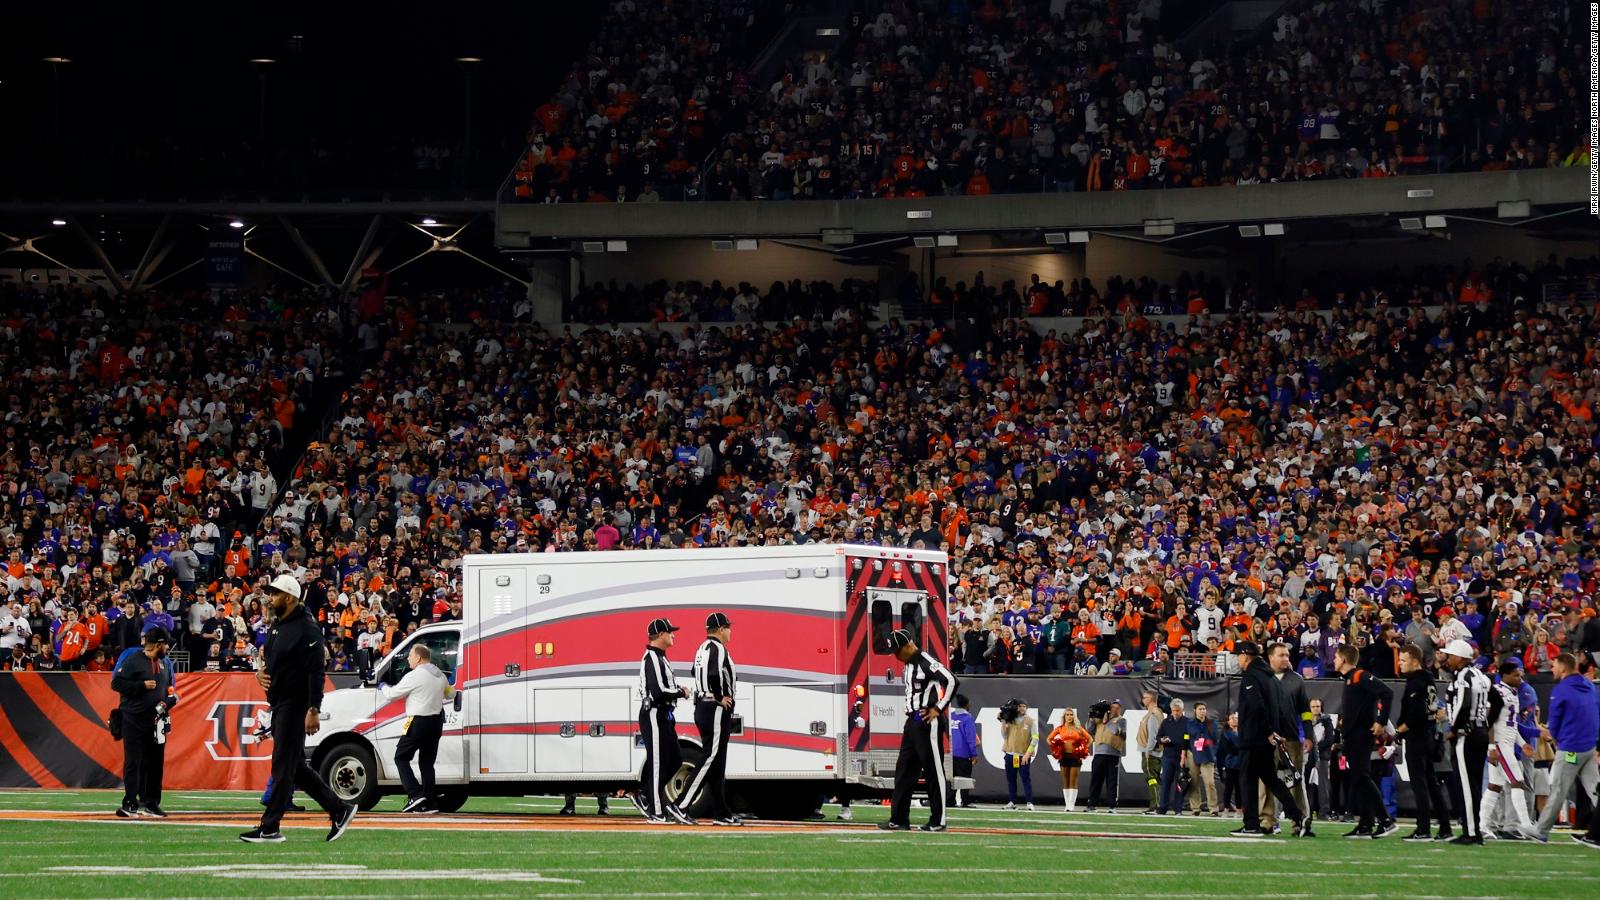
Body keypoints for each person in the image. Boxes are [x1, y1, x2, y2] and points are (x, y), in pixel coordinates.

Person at [241, 574, 356, 844]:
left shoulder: (307, 628)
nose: (270, 598)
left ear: (290, 598)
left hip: (295, 703)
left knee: (282, 765)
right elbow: (269, 658)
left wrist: (313, 708)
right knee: (294, 766)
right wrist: (260, 673)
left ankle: (270, 827)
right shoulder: (280, 624)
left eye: (276, 594)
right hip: (280, 702)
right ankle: (339, 809)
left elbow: (316, 672)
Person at [879, 628, 955, 832]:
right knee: (904, 771)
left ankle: (938, 820)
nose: (895, 655)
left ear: (908, 645)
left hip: (926, 720)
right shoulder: (909, 665)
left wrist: (937, 709)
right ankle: (899, 818)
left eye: (897, 650)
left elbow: (951, 680)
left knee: (933, 770)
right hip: (912, 721)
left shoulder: (925, 661)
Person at [1233, 641, 1310, 837]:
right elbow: (1275, 708)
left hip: (1254, 737)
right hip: (1268, 738)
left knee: (1248, 780)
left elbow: (1257, 706)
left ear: (1245, 655)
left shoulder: (1252, 675)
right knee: (1271, 779)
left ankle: (1251, 824)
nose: (1238, 660)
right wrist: (1273, 731)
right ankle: (1296, 814)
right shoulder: (1270, 677)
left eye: (1238, 656)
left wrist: (1268, 730)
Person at [1530, 653, 1600, 847]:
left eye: (1554, 665)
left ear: (1562, 667)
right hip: (1590, 747)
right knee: (1595, 790)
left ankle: (1541, 830)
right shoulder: (1589, 686)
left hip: (1570, 750)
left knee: (1559, 789)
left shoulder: (1561, 690)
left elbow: (1556, 723)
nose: (1552, 669)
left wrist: (1557, 739)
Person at [680, 612, 739, 826]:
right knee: (710, 758)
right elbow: (714, 674)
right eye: (729, 628)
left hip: (704, 707)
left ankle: (721, 812)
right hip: (713, 708)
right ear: (721, 629)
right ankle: (681, 804)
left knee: (716, 763)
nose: (731, 632)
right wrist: (719, 697)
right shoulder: (718, 648)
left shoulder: (702, 648)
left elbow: (695, 671)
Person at [110, 626, 176, 818]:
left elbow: (167, 689)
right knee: (134, 762)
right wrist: (140, 686)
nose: (168, 649)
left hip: (157, 720)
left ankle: (151, 803)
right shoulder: (133, 660)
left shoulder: (164, 663)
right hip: (134, 718)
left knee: (156, 763)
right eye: (166, 645)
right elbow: (116, 683)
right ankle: (130, 802)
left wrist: (169, 701)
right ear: (158, 644)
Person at [1333, 644, 1398, 839]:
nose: (1334, 660)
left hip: (1361, 735)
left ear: (1344, 660)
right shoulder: (1349, 680)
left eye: (1336, 657)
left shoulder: (1360, 675)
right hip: (1353, 735)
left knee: (1362, 777)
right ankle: (1366, 824)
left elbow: (1387, 693)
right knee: (1359, 779)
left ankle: (1385, 820)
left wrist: (1381, 721)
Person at [635, 617, 693, 825]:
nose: (673, 635)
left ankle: (645, 795)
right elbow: (658, 692)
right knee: (658, 763)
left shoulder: (660, 657)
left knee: (676, 759)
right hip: (654, 714)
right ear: (660, 635)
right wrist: (681, 692)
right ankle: (656, 811)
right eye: (670, 632)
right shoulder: (651, 657)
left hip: (665, 715)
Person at [382, 642, 453, 813]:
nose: (408, 659)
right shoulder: (440, 674)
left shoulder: (415, 675)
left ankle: (415, 794)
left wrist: (383, 686)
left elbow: (392, 695)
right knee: (427, 764)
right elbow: (451, 693)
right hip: (436, 723)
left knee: (401, 758)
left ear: (419, 658)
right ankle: (430, 803)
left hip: (418, 722)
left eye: (411, 655)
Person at [1395, 644, 1452, 841]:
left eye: (1403, 660)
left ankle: (1423, 828)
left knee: (1420, 784)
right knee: (1431, 783)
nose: (1400, 664)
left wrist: (1398, 730)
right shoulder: (1428, 680)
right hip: (1427, 736)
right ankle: (1445, 827)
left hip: (1417, 737)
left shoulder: (1417, 682)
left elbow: (1415, 715)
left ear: (1415, 661)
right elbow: (1432, 710)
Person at [1441, 638, 1492, 844]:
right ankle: (1474, 829)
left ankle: (1471, 832)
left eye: (1451, 655)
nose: (1448, 659)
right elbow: (1492, 702)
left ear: (1460, 658)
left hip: (1467, 734)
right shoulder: (1481, 676)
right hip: (1480, 731)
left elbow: (1464, 703)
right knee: (1474, 784)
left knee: (1466, 786)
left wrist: (1455, 729)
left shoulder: (1463, 676)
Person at [1480, 661, 1539, 840]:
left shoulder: (1512, 692)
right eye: (1515, 675)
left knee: (1494, 786)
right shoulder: (1496, 692)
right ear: (1504, 675)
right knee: (1517, 781)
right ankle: (1526, 825)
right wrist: (1491, 747)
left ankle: (1482, 825)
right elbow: (1489, 722)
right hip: (1499, 744)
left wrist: (1522, 745)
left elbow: (1511, 726)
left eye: (1520, 675)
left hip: (1506, 742)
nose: (1519, 679)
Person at [1263, 643, 1313, 833]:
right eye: (1281, 655)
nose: (1286, 658)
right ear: (1271, 657)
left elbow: (1305, 711)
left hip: (1291, 737)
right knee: (1267, 783)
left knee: (1296, 782)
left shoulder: (1297, 680)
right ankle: (1268, 821)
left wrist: (1308, 735)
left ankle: (1300, 821)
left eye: (1287, 655)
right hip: (1268, 740)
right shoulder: (1264, 679)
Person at [1151, 698, 1191, 816]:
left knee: (1180, 783)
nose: (1176, 713)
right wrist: (1162, 740)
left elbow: (1188, 738)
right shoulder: (1166, 721)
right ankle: (1162, 808)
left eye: (1178, 710)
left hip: (1181, 755)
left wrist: (1184, 753)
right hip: (1168, 755)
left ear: (1182, 710)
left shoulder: (1187, 722)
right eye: (1174, 710)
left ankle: (1178, 808)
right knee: (1165, 782)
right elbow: (1158, 736)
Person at [1085, 700, 1126, 812]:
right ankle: (1091, 804)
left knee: (1112, 781)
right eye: (1113, 707)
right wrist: (1091, 718)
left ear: (1120, 709)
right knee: (1095, 780)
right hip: (1099, 753)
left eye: (1117, 708)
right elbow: (1089, 730)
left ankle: (1112, 806)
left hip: (1113, 754)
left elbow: (1116, 732)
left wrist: (1106, 721)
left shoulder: (1121, 720)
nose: (1115, 710)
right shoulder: (1099, 720)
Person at [1048, 708, 1091, 811]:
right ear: (1064, 717)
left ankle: (1072, 804)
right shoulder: (1060, 728)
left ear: (1074, 716)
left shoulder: (1078, 728)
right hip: (1064, 756)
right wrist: (1056, 748)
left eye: (1071, 714)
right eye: (1067, 714)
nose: (1069, 716)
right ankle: (1067, 804)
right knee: (1065, 781)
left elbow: (1090, 739)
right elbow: (1049, 739)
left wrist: (1083, 748)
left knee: (1073, 780)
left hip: (1075, 757)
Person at [1000, 699, 1038, 811]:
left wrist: (1028, 753)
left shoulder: (1030, 721)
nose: (1022, 708)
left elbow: (1035, 738)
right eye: (1019, 706)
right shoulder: (1010, 719)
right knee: (1011, 779)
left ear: (1027, 707)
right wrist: (1003, 721)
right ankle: (1012, 801)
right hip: (1011, 754)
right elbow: (1004, 735)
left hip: (1022, 755)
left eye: (1024, 706)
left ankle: (1029, 802)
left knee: (1025, 779)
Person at [1186, 701, 1220, 816]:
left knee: (1210, 782)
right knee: (1194, 782)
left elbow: (1215, 739)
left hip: (1207, 754)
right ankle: (1195, 807)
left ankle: (1213, 808)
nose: (1202, 711)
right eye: (1200, 709)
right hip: (1193, 753)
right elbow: (1187, 737)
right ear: (1195, 711)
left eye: (1204, 709)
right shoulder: (1189, 723)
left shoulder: (1211, 723)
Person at [1135, 691, 1165, 813]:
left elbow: (1153, 735)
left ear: (1151, 699)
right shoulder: (1155, 713)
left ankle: (1155, 805)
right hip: (1153, 752)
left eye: (1145, 697)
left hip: (1150, 753)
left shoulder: (1153, 714)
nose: (1142, 699)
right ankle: (1157, 804)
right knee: (1155, 778)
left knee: (1151, 778)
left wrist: (1148, 750)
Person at [948, 694, 979, 808]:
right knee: (965, 778)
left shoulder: (950, 716)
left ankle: (950, 800)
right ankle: (965, 801)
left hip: (950, 753)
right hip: (963, 753)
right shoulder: (967, 717)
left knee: (951, 778)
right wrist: (974, 754)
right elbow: (970, 737)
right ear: (967, 705)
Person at [1219, 712, 1243, 813]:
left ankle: (1239, 809)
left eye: (1236, 718)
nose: (1234, 720)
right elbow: (1227, 749)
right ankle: (1226, 808)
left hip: (1241, 764)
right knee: (1229, 787)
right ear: (1228, 721)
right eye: (1232, 718)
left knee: (1239, 788)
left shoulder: (1243, 732)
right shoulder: (1226, 734)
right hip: (1230, 764)